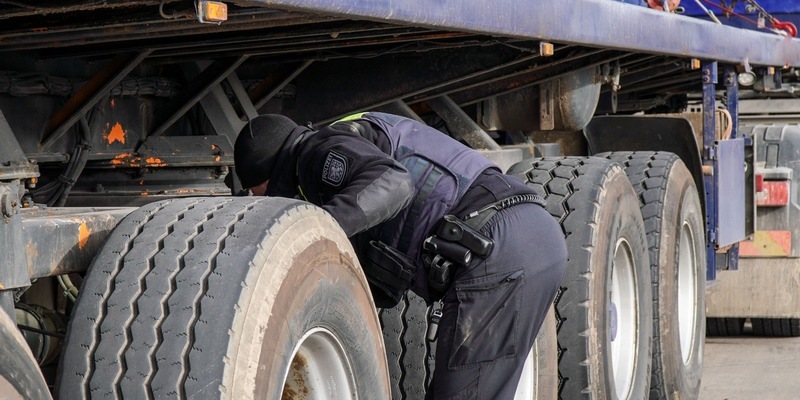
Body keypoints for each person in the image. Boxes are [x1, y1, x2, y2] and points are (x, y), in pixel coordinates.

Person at [233, 112, 567, 399]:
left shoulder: (317, 151)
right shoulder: (356, 139)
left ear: (265, 172)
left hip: (496, 245)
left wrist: (312, 231)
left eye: (253, 190)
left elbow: (394, 183)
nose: (256, 198)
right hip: (528, 236)